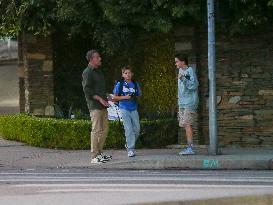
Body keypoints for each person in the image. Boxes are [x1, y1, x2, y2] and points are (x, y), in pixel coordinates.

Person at [82, 49, 112, 163]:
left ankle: (99, 153)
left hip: (103, 105)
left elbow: (101, 89)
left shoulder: (98, 71)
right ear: (92, 59)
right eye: (98, 57)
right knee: (96, 130)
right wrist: (100, 99)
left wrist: (108, 96)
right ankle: (94, 156)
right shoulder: (87, 72)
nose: (100, 58)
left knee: (105, 129)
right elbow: (87, 90)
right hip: (95, 106)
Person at [112, 66, 141, 157]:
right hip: (124, 108)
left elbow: (139, 94)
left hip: (133, 108)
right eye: (126, 73)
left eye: (129, 73)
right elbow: (114, 97)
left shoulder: (135, 84)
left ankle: (128, 144)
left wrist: (134, 96)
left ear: (132, 74)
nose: (128, 75)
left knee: (137, 129)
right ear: (123, 75)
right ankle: (130, 149)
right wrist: (125, 97)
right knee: (128, 129)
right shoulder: (120, 84)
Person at [175, 55, 199, 155]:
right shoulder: (181, 71)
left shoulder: (189, 71)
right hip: (183, 103)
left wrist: (183, 79)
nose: (175, 63)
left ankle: (190, 148)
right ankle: (190, 147)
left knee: (187, 124)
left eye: (177, 61)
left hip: (189, 102)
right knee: (185, 124)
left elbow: (193, 85)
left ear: (183, 62)